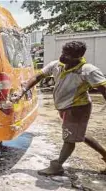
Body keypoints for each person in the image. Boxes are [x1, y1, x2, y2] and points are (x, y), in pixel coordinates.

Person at [13, 41, 106, 175]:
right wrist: (23, 90)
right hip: (64, 107)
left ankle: (57, 166)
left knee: (69, 138)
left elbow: (103, 88)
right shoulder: (56, 65)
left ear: (79, 56)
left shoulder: (87, 70)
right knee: (80, 134)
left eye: (68, 55)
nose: (63, 56)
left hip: (77, 108)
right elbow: (38, 76)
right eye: (63, 52)